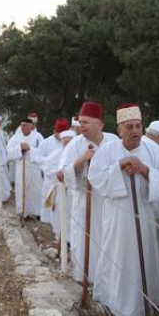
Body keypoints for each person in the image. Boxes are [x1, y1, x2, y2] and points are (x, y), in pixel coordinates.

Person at [88, 103, 159, 316]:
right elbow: (96, 177)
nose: (135, 131)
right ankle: (117, 300)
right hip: (118, 215)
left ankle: (145, 301)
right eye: (129, 127)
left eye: (138, 126)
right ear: (119, 130)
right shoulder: (108, 151)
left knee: (145, 254)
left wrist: (144, 170)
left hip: (145, 215)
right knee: (118, 255)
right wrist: (120, 165)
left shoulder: (153, 150)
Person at [58, 101, 119, 283]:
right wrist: (81, 160)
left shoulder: (113, 141)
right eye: (80, 122)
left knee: (108, 240)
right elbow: (61, 174)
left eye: (85, 122)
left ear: (99, 124)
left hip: (109, 202)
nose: (80, 126)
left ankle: (107, 280)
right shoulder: (75, 144)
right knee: (85, 240)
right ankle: (85, 279)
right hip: (85, 201)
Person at [7, 118, 44, 219]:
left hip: (34, 168)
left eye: (25, 125)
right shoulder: (15, 138)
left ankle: (38, 212)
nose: (22, 127)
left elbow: (42, 152)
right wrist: (19, 148)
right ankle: (23, 212)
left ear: (31, 126)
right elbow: (9, 153)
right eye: (21, 125)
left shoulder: (38, 137)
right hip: (21, 167)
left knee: (36, 190)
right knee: (22, 189)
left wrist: (30, 148)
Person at [36, 118, 69, 223]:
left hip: (65, 182)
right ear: (54, 131)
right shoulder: (46, 142)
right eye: (59, 133)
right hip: (50, 180)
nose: (61, 136)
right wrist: (50, 164)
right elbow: (38, 158)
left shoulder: (70, 142)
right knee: (51, 209)